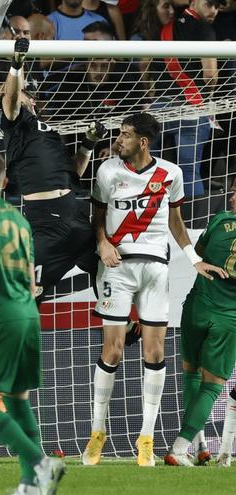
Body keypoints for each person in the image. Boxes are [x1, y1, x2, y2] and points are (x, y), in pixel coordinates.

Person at [82, 112, 226, 466]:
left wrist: (193, 258)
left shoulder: (171, 174)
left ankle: (145, 437)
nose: (118, 140)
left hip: (156, 270)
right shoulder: (107, 171)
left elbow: (175, 221)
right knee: (113, 350)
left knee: (156, 352)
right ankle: (97, 433)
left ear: (143, 142)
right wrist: (101, 242)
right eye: (119, 134)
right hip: (117, 267)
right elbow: (97, 214)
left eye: (125, 135)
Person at [0, 151, 65, 495]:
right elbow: (33, 273)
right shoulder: (19, 219)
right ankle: (29, 486)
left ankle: (40, 462)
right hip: (28, 314)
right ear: (5, 183)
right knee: (18, 399)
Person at [1, 38, 107, 299]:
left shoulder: (50, 133)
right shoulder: (16, 126)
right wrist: (16, 64)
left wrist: (88, 144)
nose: (25, 95)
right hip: (46, 222)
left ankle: (121, 326)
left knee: (107, 270)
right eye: (23, 91)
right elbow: (11, 95)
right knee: (27, 294)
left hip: (75, 212)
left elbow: (72, 175)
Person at [164, 180, 234, 466]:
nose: (230, 196)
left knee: (191, 375)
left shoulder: (219, 220)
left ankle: (200, 444)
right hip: (228, 317)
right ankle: (179, 449)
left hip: (196, 307)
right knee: (212, 385)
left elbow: (201, 254)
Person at [147, 0, 220, 197]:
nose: (214, 10)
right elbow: (210, 74)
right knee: (189, 171)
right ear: (194, 2)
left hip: (159, 109)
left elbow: (147, 69)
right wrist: (208, 98)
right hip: (191, 108)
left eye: (218, 6)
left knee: (148, 169)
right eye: (210, 4)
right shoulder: (204, 29)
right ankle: (192, 225)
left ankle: (148, 218)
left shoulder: (165, 29)